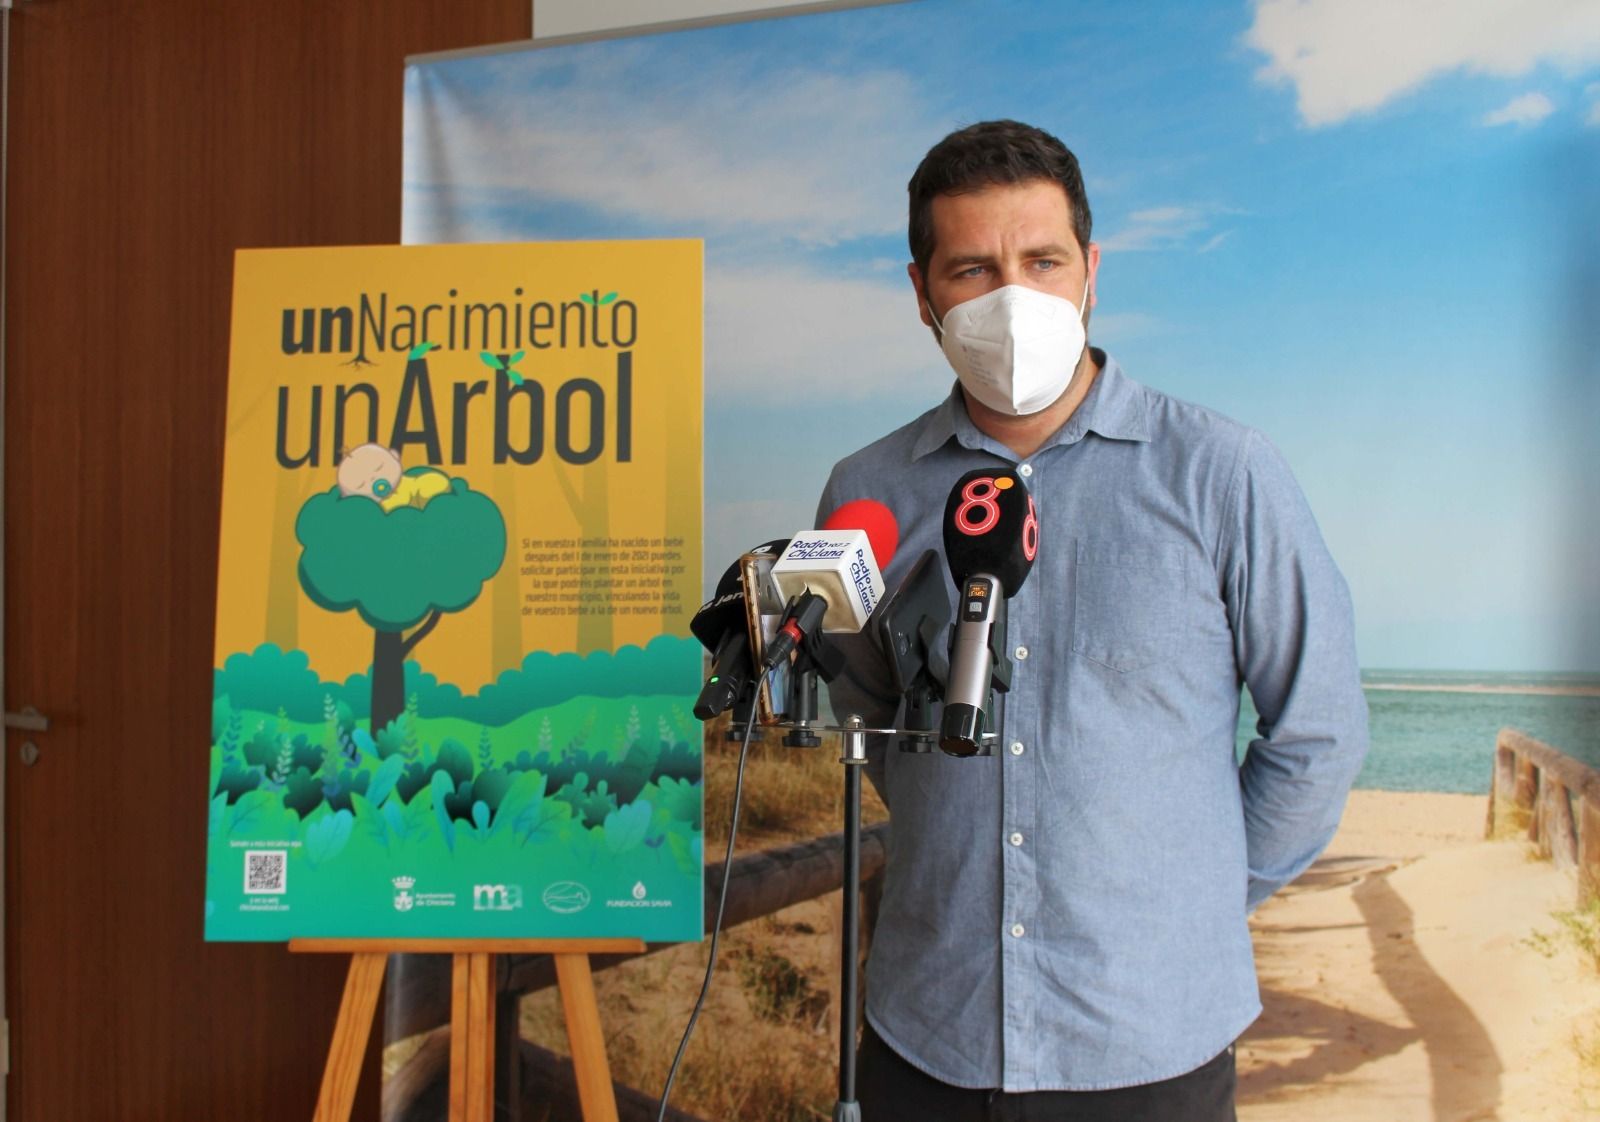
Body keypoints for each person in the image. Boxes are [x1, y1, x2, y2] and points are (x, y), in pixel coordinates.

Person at [816, 120, 1369, 1121]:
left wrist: (1190, 901)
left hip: (1150, 1040)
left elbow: (1319, 731)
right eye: (973, 268)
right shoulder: (864, 492)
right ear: (921, 292)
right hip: (924, 1033)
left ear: (1090, 272)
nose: (1011, 298)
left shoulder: (1223, 472)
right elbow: (878, 735)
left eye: (1041, 260)